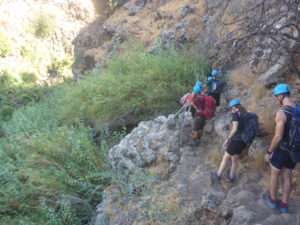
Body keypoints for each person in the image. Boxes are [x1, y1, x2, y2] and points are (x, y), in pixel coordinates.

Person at [262, 84, 296, 213]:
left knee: (275, 174)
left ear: (280, 96)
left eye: (277, 97)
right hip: (295, 150)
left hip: (281, 150)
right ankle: (284, 205)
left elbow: (277, 137)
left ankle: (273, 201)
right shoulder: (298, 108)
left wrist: (268, 152)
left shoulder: (281, 112)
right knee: (287, 175)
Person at [211, 99, 247, 182]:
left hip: (236, 141)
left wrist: (228, 138)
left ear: (234, 107)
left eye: (231, 108)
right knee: (234, 159)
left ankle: (218, 175)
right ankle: (231, 176)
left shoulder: (236, 115)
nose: (231, 110)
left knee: (226, 157)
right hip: (243, 142)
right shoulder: (245, 114)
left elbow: (234, 129)